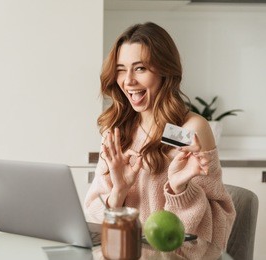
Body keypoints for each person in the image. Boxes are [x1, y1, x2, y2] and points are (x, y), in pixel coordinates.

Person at [84, 22, 236, 250]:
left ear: (165, 70)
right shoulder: (116, 128)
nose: (128, 81)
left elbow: (214, 230)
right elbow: (93, 218)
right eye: (121, 69)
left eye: (140, 68)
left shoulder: (187, 130)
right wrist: (119, 192)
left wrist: (179, 189)